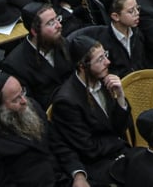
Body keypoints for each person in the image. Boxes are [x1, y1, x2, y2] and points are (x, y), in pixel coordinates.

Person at [48, 35, 133, 183]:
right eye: (100, 59)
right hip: (99, 165)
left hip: (118, 152)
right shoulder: (67, 101)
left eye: (105, 55)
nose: (108, 62)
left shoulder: (104, 80)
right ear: (82, 66)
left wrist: (120, 96)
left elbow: (120, 128)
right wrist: (116, 141)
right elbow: (89, 149)